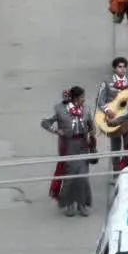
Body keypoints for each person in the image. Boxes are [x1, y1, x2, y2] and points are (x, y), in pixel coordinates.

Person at [41, 86, 97, 217]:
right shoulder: (60, 110)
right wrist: (56, 130)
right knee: (70, 177)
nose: (84, 99)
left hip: (83, 146)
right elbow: (45, 123)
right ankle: (69, 203)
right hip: (68, 146)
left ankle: (82, 204)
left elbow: (92, 127)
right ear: (76, 98)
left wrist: (92, 133)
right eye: (82, 97)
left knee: (83, 176)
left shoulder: (86, 109)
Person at [96, 57, 128, 160]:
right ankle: (116, 169)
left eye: (125, 67)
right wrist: (107, 111)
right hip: (114, 117)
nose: (122, 69)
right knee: (115, 145)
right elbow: (100, 100)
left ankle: (127, 167)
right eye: (120, 67)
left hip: (127, 118)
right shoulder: (107, 82)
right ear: (114, 69)